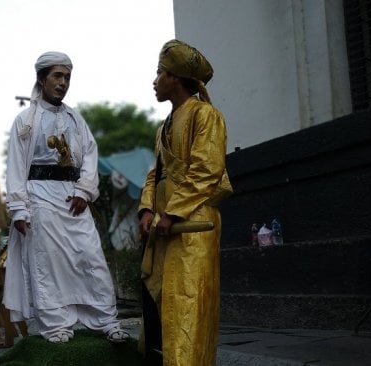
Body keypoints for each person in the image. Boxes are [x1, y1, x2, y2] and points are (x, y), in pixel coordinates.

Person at [3, 51, 129, 344]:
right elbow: (16, 166)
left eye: (67, 77)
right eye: (57, 76)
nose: (63, 83)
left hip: (73, 198)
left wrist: (84, 190)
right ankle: (56, 326)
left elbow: (89, 156)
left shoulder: (76, 119)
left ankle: (106, 321)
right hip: (40, 198)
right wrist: (20, 209)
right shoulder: (25, 121)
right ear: (42, 78)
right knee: (47, 263)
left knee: (90, 256)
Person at [137, 39, 233, 366]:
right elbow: (156, 174)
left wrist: (173, 213)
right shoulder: (164, 125)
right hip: (166, 228)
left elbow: (207, 169)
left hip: (193, 225)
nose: (155, 80)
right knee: (167, 308)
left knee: (189, 307)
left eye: (160, 73)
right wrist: (148, 209)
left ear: (175, 78)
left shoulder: (206, 115)